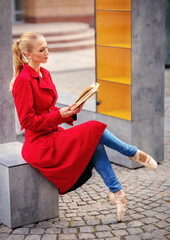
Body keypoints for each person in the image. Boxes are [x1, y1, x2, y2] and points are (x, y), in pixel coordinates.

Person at [10, 32, 157, 222]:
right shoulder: (23, 80)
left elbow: (47, 108)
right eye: (42, 49)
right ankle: (131, 152)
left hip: (53, 134)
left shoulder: (44, 73)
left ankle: (116, 191)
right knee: (93, 127)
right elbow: (27, 122)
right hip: (39, 144)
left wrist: (70, 110)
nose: (47, 52)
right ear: (28, 54)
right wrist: (58, 115)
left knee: (93, 141)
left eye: (47, 47)